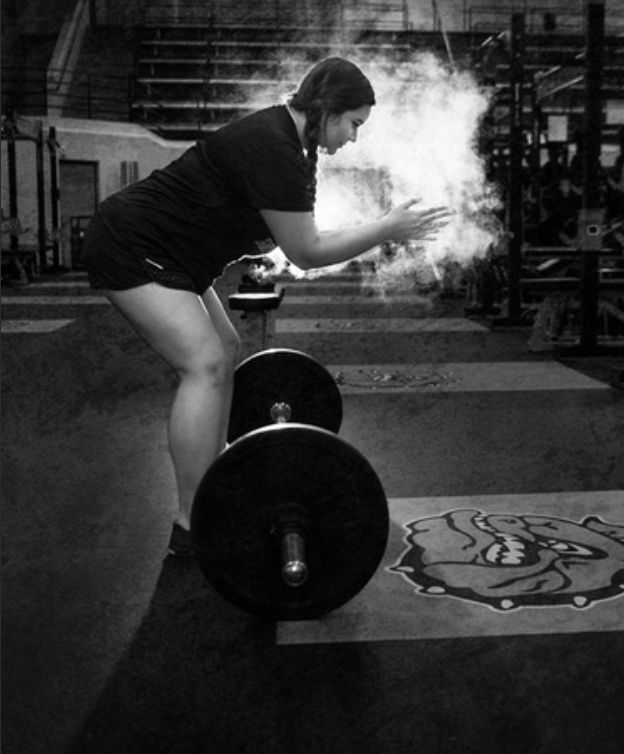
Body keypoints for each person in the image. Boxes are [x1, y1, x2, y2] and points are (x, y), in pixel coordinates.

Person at [82, 57, 451, 556]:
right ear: (327, 109)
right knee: (205, 365)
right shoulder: (276, 147)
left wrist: (379, 226)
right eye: (354, 124)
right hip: (133, 243)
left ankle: (217, 476)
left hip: (176, 256)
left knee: (226, 347)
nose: (354, 138)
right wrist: (385, 228)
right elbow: (306, 253)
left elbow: (302, 239)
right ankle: (192, 525)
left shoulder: (297, 146)